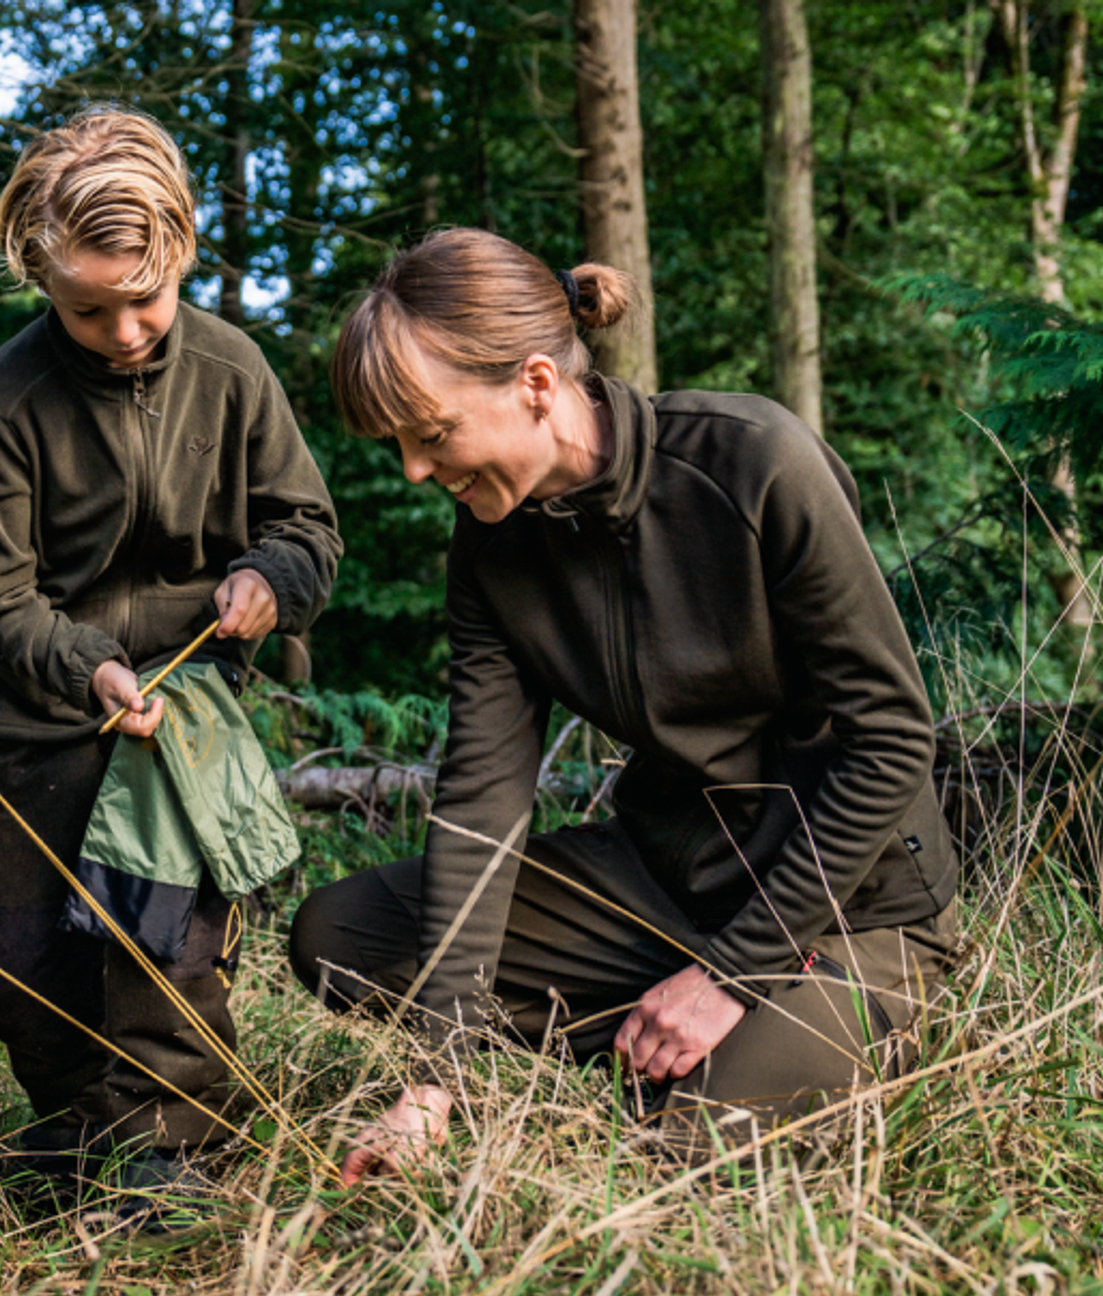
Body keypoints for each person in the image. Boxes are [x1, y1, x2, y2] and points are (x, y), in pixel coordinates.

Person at [290, 228, 959, 1177]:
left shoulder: (753, 462)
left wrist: (737, 971)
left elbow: (891, 741)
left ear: (534, 382)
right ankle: (667, 1017)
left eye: (431, 435)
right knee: (340, 934)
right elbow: (484, 797)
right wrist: (435, 1076)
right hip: (662, 888)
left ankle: (762, 1029)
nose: (412, 468)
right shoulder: (490, 548)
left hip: (850, 912)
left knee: (687, 1157)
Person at [0, 106, 341, 1179]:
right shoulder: (10, 394)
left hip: (186, 714)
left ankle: (176, 1161)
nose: (124, 333)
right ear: (41, 277)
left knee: (159, 951)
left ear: (177, 256)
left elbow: (305, 527)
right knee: (23, 965)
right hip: (38, 714)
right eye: (88, 312)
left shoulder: (230, 368)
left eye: (145, 301)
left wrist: (273, 579)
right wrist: (89, 669)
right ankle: (86, 1133)